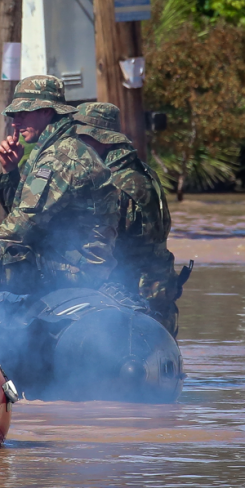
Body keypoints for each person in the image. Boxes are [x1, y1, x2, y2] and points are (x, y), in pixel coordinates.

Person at [0, 75, 120, 295]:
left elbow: (20, 227)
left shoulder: (61, 157)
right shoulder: (54, 149)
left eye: (23, 114)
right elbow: (21, 214)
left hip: (79, 270)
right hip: (61, 259)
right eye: (14, 115)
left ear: (46, 111)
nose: (16, 122)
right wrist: (10, 171)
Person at [73, 102, 183, 336]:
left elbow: (97, 248)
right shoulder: (143, 172)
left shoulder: (112, 183)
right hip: (160, 302)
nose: (78, 147)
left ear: (101, 140)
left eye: (83, 139)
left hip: (132, 307)